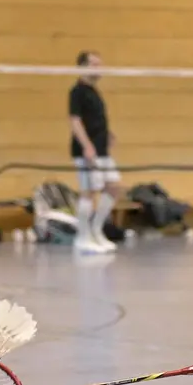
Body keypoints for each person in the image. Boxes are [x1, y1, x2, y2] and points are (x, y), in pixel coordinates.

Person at [68, 50, 121, 255]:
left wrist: (107, 133)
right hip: (87, 151)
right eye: (94, 64)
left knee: (113, 188)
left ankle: (97, 230)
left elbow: (95, 119)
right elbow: (75, 120)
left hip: (103, 149)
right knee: (88, 192)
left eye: (100, 64)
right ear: (82, 67)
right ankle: (82, 236)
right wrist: (87, 145)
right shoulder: (77, 91)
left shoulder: (94, 91)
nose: (99, 69)